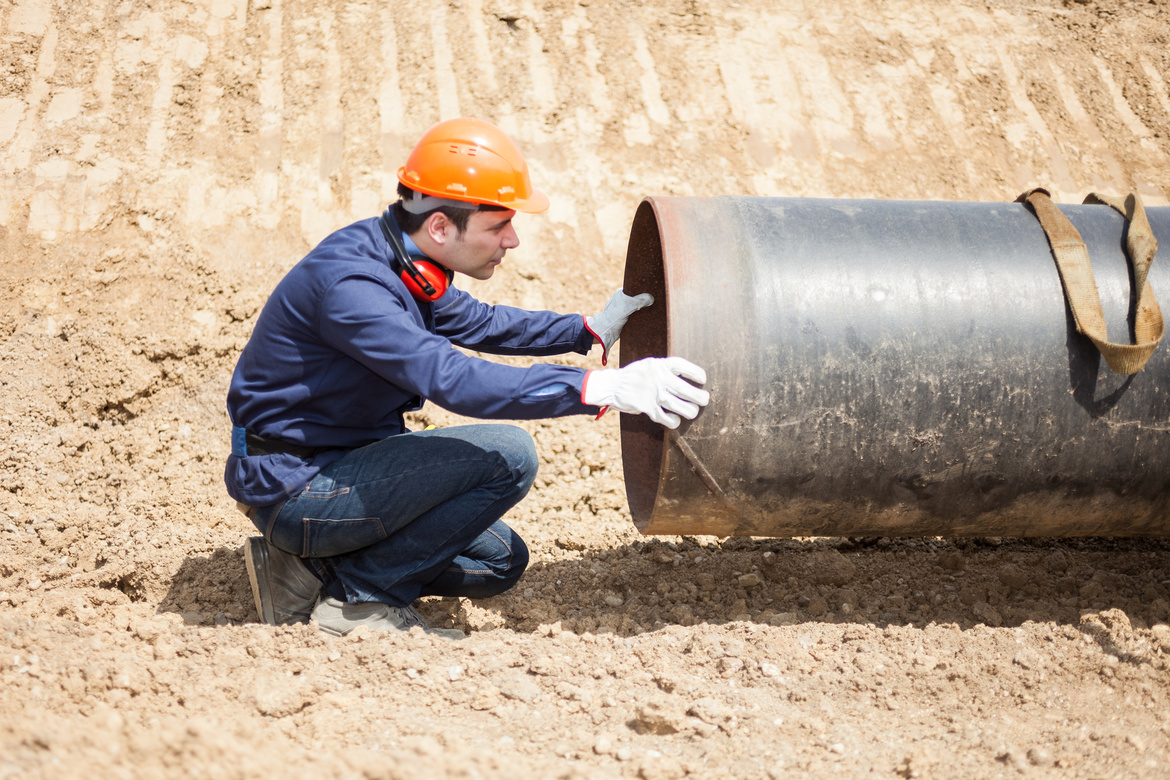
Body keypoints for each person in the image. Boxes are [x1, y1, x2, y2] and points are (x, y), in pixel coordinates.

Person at [226, 117, 709, 639]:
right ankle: (359, 602)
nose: (513, 239)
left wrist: (588, 328)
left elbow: (478, 322)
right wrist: (600, 388)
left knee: (500, 562)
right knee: (509, 455)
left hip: (344, 463)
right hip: (297, 486)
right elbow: (451, 378)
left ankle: (306, 570)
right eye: (498, 225)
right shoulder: (354, 287)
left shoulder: (402, 257)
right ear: (440, 226)